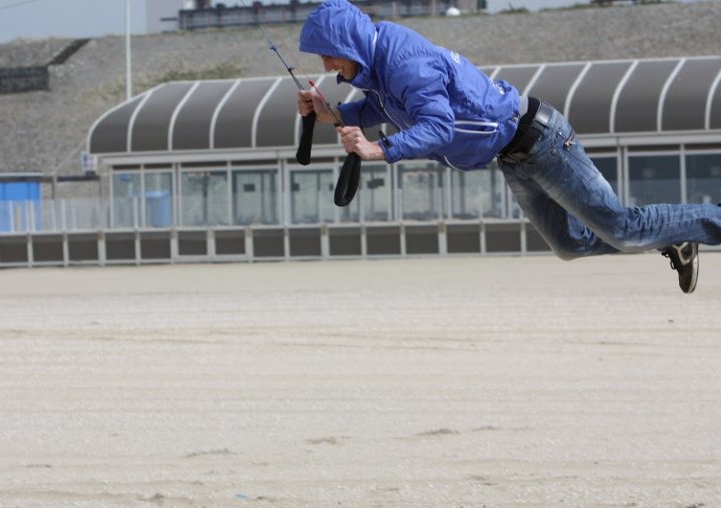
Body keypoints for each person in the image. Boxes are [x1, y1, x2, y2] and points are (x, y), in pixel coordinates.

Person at [296, 0, 721, 293]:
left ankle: (705, 224)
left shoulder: (405, 62)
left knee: (623, 228)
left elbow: (440, 126)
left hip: (542, 140)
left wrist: (381, 150)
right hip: (515, 155)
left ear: (347, 43)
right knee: (569, 245)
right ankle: (674, 239)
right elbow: (379, 109)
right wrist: (326, 112)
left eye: (329, 57)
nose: (328, 67)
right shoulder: (380, 65)